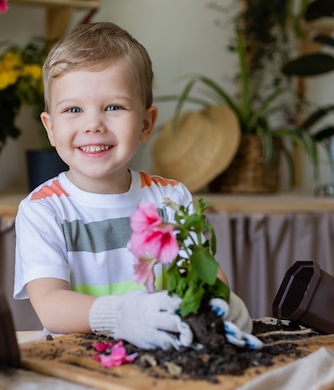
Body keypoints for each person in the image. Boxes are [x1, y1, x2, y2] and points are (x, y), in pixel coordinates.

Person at [14, 22, 252, 350]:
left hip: (166, 355)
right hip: (82, 362)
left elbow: (204, 277)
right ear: (50, 128)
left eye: (114, 107)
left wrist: (220, 305)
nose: (93, 124)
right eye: (73, 109)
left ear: (145, 123)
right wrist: (122, 314)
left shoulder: (170, 198)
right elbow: (51, 305)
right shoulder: (42, 209)